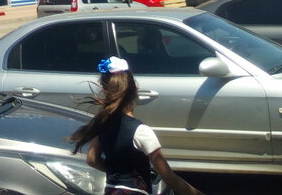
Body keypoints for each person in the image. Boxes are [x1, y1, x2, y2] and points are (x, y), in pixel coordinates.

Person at [68, 56, 203, 195]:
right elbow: (168, 176)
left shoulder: (104, 125)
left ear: (104, 90)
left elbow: (92, 159)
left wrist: (116, 172)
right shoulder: (140, 131)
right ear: (135, 89)